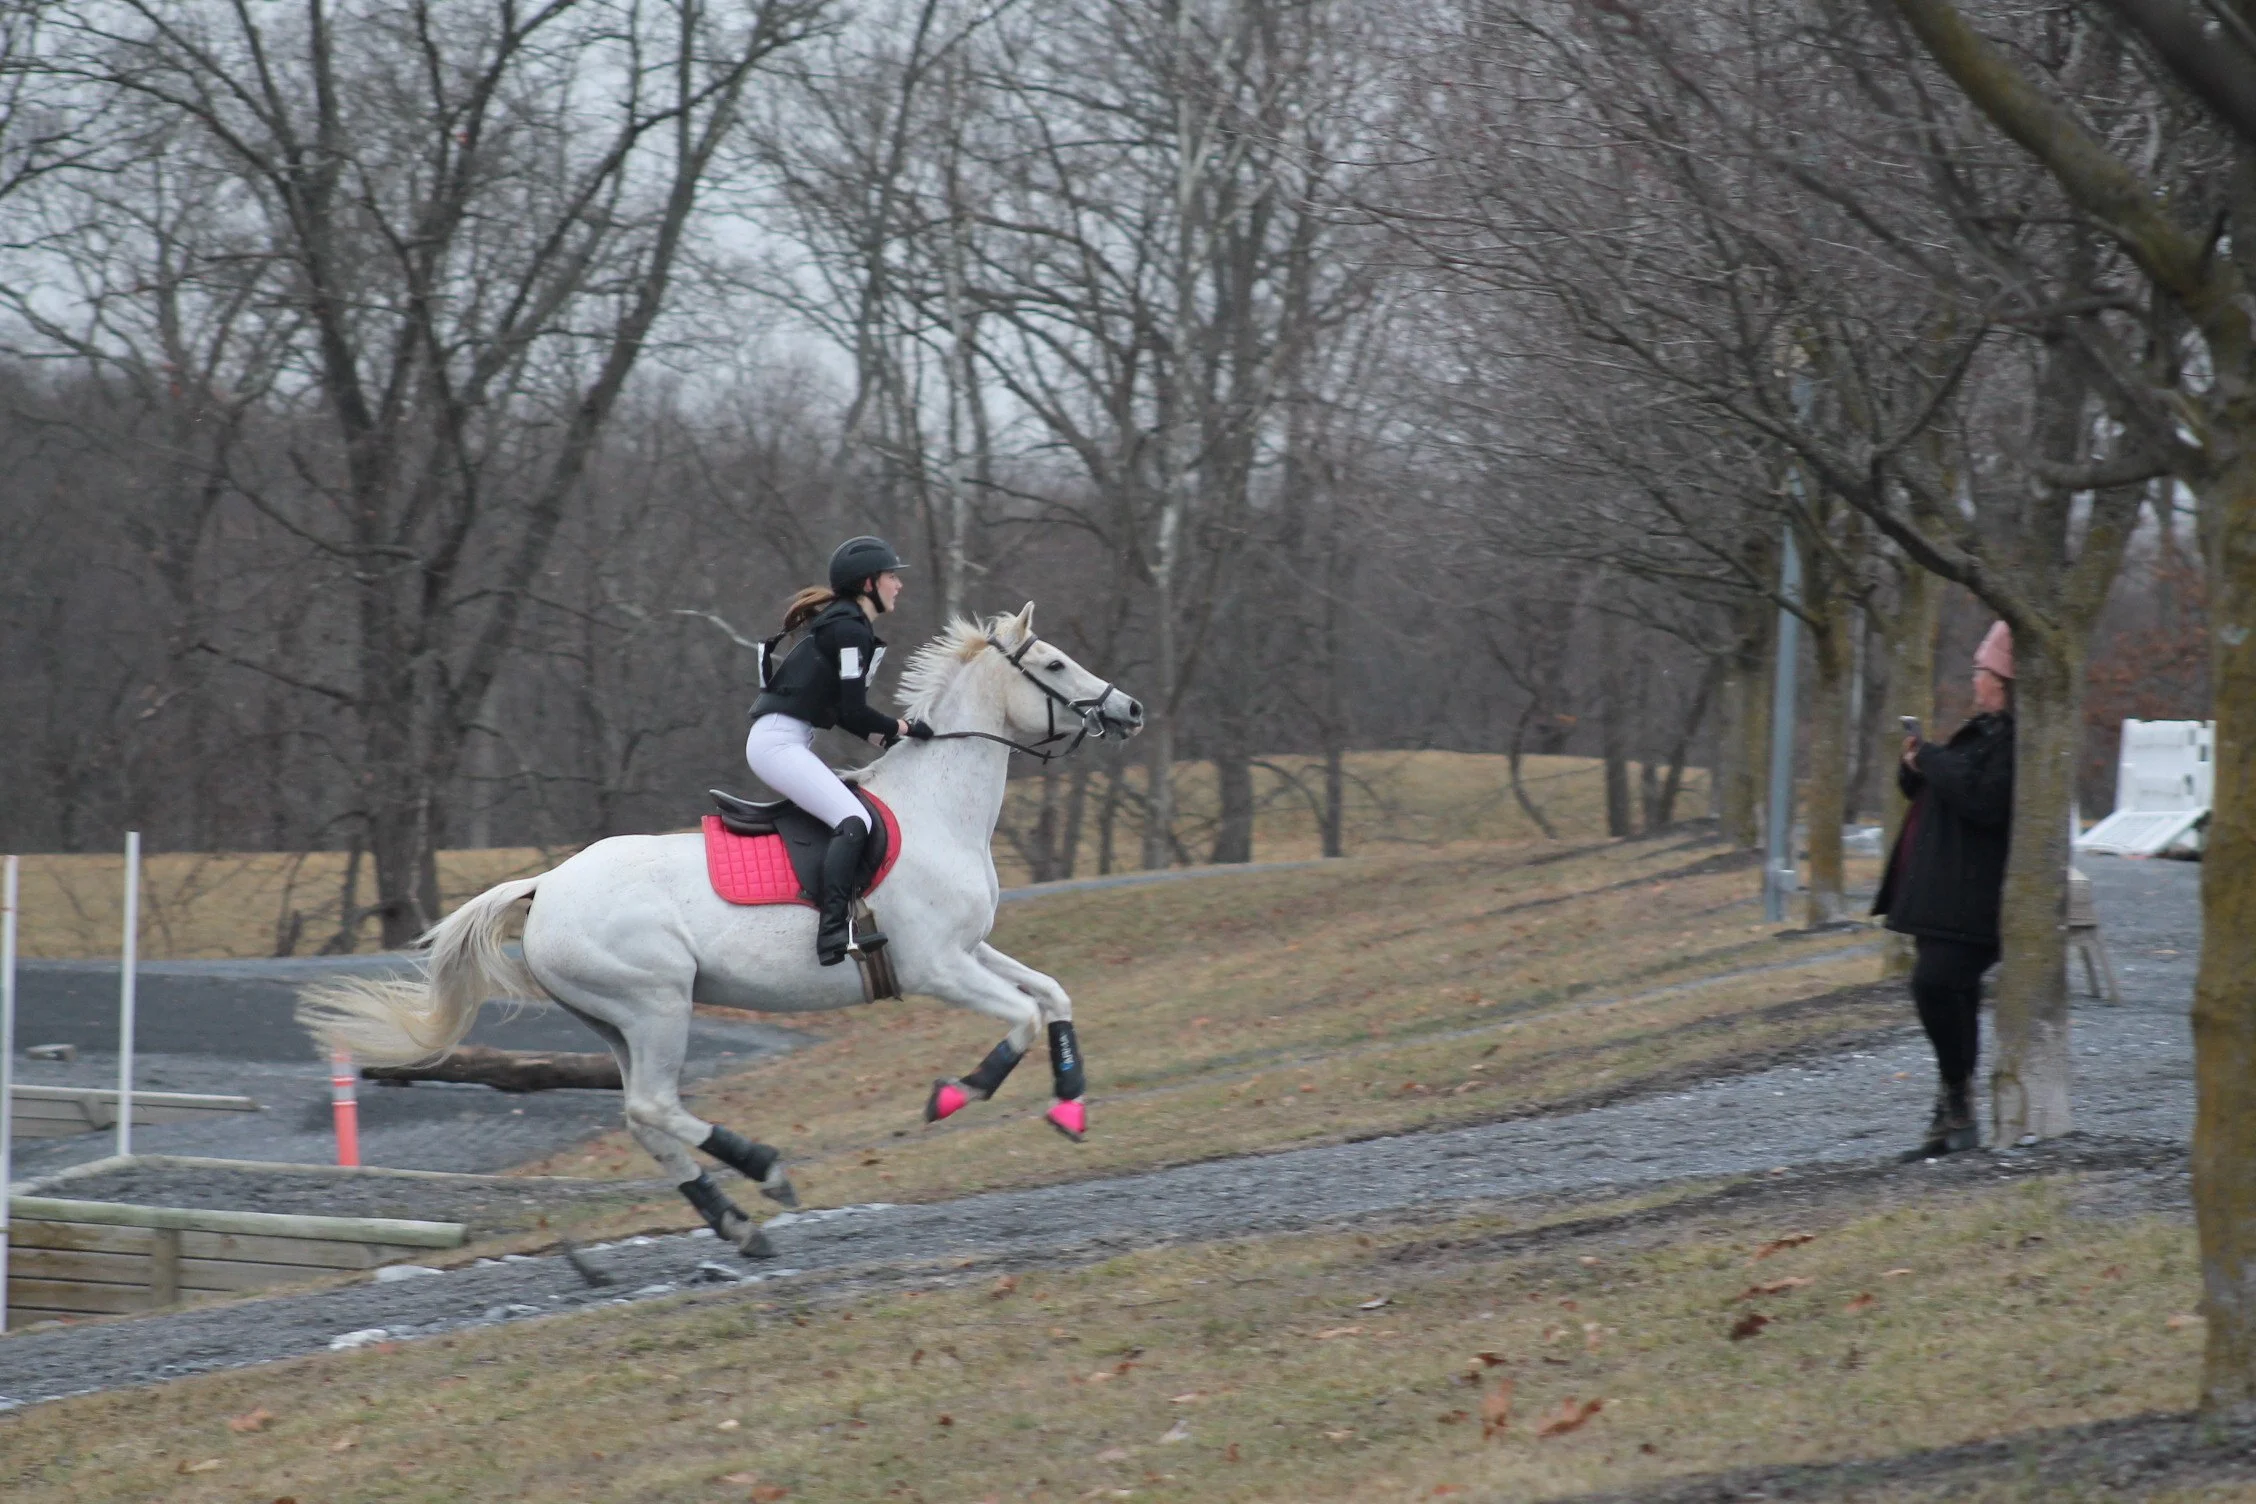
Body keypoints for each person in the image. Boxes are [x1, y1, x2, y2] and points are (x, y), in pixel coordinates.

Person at [748, 536, 933, 965]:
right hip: (777, 743)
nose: (898, 585)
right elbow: (854, 708)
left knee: (853, 815)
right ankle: (833, 933)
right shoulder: (849, 629)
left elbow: (848, 716)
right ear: (868, 583)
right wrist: (903, 727)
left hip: (784, 739)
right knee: (853, 820)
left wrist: (889, 737)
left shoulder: (847, 626)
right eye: (891, 577)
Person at [1873, 620, 2016, 1159]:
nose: (1975, 680)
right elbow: (1940, 786)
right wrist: (1916, 765)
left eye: (1981, 672)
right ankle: (1952, 1116)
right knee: (1949, 991)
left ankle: (1956, 1098)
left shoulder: (2012, 738)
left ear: (2002, 680)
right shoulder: (1983, 732)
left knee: (1936, 985)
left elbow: (1982, 798)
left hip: (1972, 900)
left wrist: (1930, 759)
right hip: (1947, 897)